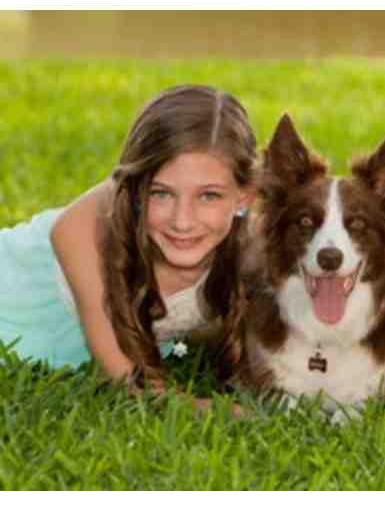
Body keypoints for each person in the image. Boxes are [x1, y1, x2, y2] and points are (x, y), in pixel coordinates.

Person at [0, 85, 256, 397]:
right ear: (135, 190)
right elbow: (135, 387)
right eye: (160, 193)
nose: (182, 221)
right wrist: (201, 407)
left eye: (209, 196)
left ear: (244, 197)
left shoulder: (261, 246)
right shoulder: (82, 226)